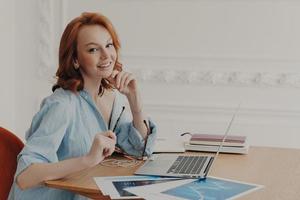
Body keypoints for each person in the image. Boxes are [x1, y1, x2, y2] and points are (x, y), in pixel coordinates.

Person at [8, 12, 157, 200]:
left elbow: (138, 149)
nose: (106, 55)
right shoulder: (62, 105)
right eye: (93, 49)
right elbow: (25, 177)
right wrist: (87, 160)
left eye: (109, 45)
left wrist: (135, 101)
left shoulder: (113, 98)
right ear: (75, 60)